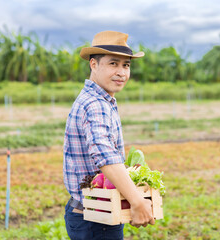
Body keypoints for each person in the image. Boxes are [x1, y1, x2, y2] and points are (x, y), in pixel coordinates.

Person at [63, 30, 155, 240]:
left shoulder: (99, 99)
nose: (121, 72)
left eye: (126, 65)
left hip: (92, 213)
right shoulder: (96, 104)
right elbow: (105, 157)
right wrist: (137, 201)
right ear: (93, 64)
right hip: (95, 219)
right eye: (113, 64)